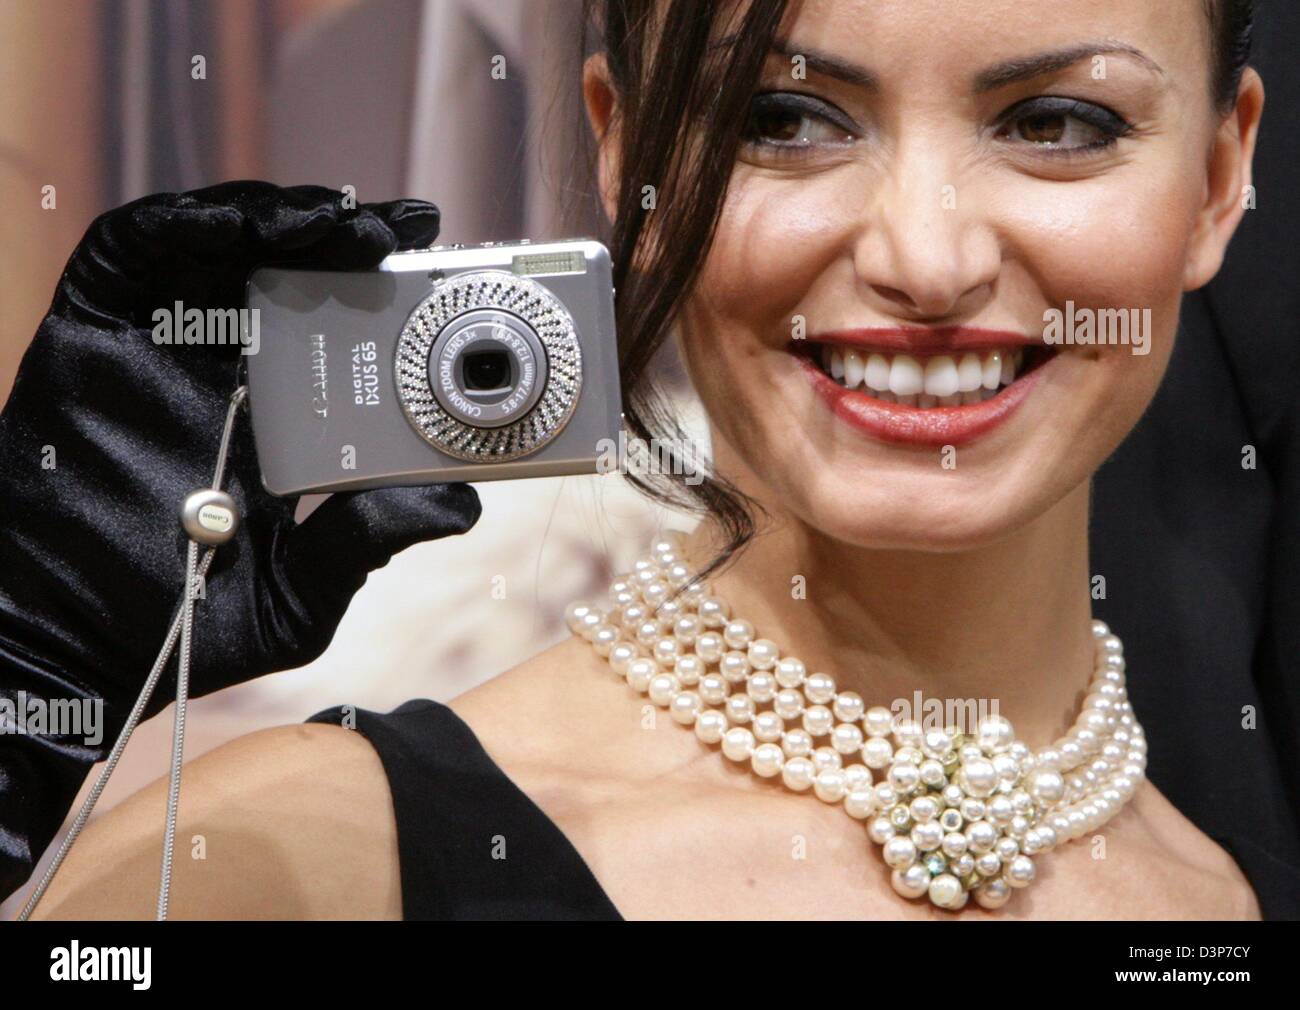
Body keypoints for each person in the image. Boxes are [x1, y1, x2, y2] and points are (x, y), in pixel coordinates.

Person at [4, 0, 1296, 919]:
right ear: (625, 152)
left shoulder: (1228, 880)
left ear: (1223, 173)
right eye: (783, 117)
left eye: (1058, 121)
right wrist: (20, 687)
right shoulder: (307, 854)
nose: (927, 258)